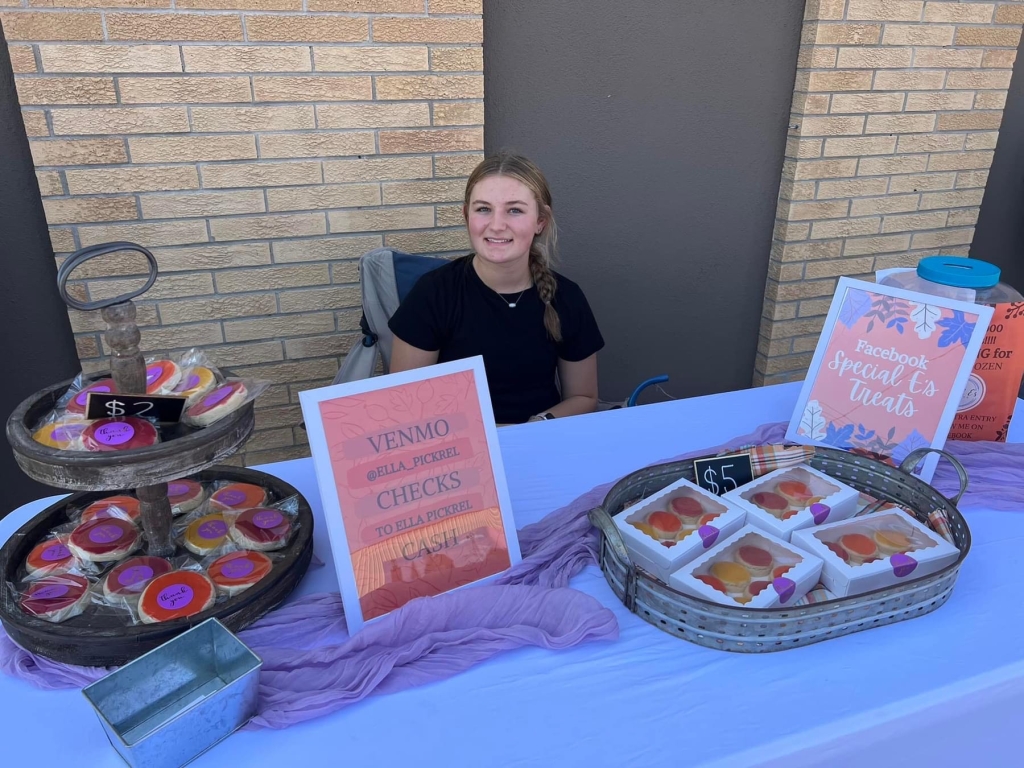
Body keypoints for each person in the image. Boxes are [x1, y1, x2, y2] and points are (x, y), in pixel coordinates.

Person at [388, 152, 604, 424]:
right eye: (483, 209)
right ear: (466, 215)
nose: (497, 225)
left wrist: (538, 424)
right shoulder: (433, 294)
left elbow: (584, 397)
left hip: (538, 443)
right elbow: (404, 402)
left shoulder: (566, 298)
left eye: (514, 210)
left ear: (541, 221)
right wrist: (491, 436)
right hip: (457, 449)